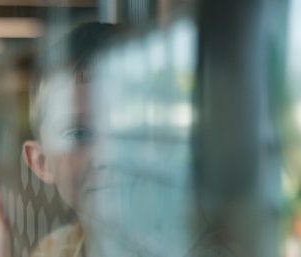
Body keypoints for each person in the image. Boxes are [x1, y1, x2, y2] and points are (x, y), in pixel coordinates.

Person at [22, 22, 243, 257]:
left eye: (126, 127)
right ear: (41, 163)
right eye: (79, 134)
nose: (106, 155)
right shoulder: (54, 250)